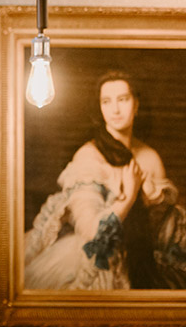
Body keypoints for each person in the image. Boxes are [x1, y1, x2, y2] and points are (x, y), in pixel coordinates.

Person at [25, 71, 186, 290]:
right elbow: (92, 233)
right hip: (97, 261)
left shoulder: (150, 157)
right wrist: (128, 198)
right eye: (106, 102)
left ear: (136, 105)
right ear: (100, 109)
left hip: (142, 262)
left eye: (123, 99)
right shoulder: (89, 158)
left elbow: (163, 230)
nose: (116, 110)